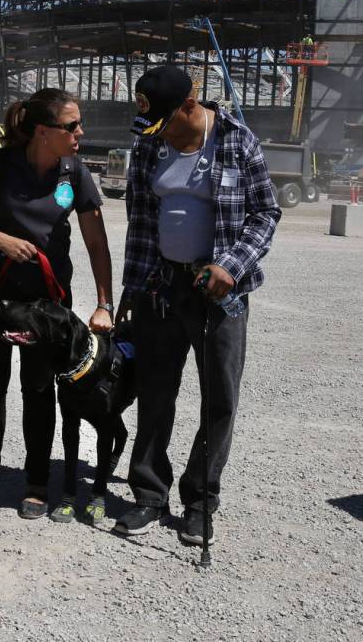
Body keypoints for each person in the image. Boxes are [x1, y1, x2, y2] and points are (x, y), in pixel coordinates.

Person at [114, 65, 280, 546]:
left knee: (219, 398)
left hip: (218, 292)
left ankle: (200, 501)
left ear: (190, 104)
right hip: (160, 285)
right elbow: (140, 219)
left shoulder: (235, 139)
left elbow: (266, 212)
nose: (157, 133)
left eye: (165, 121)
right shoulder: (150, 142)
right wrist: (133, 287)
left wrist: (230, 265)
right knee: (154, 391)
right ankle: (149, 493)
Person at [0, 88, 113, 520]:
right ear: (43, 132)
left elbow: (96, 242)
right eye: (72, 125)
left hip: (47, 299)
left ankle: (37, 483)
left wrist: (103, 304)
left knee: (39, 387)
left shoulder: (75, 173)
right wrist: (1, 239)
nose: (80, 132)